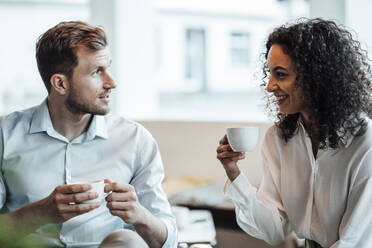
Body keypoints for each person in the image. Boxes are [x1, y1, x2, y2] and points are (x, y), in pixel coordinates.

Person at [0, 21, 177, 248]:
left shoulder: (135, 140)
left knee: (127, 241)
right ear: (60, 83)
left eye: (108, 68)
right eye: (96, 72)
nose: (111, 83)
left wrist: (141, 216)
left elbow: (168, 242)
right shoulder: (5, 136)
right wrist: (40, 213)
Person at [216, 18, 372, 248]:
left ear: (316, 77)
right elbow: (275, 230)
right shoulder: (278, 139)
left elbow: (355, 243)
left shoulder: (365, 143)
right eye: (269, 74)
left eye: (280, 74)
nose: (269, 86)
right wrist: (233, 172)